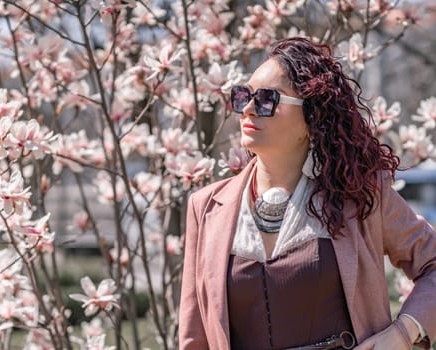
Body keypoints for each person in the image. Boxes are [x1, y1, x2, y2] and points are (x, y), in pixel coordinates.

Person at [178, 37, 436, 350]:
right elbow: (195, 339)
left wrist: (403, 333)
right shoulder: (205, 207)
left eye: (266, 99)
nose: (246, 109)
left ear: (312, 117)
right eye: (243, 96)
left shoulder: (360, 194)